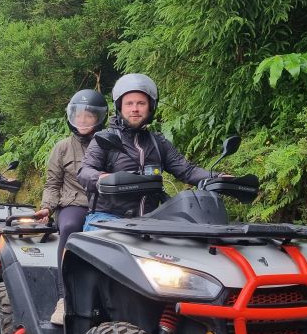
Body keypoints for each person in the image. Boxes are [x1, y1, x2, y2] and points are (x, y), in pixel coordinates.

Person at [78, 73, 220, 230]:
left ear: (151, 106)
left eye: (141, 103)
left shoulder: (158, 142)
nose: (135, 109)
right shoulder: (104, 138)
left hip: (151, 219)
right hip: (107, 217)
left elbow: (187, 171)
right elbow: (84, 171)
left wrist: (218, 177)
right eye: (129, 104)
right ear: (120, 107)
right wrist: (102, 178)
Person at [33, 89, 108, 325]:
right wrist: (47, 207)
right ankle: (64, 298)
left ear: (99, 118)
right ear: (71, 117)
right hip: (74, 204)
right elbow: (53, 183)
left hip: (106, 205)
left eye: (89, 116)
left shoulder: (110, 144)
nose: (83, 120)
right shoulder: (62, 147)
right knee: (70, 228)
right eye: (79, 115)